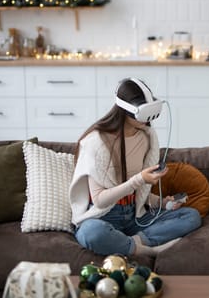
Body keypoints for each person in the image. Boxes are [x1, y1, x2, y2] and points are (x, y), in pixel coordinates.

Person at [69, 77, 201, 257]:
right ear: (127, 109)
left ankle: (133, 242)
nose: (149, 120)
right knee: (90, 233)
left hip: (134, 215)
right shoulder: (96, 142)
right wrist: (139, 179)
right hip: (105, 216)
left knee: (191, 216)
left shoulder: (146, 137)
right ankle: (145, 250)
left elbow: (139, 194)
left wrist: (162, 203)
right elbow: (100, 200)